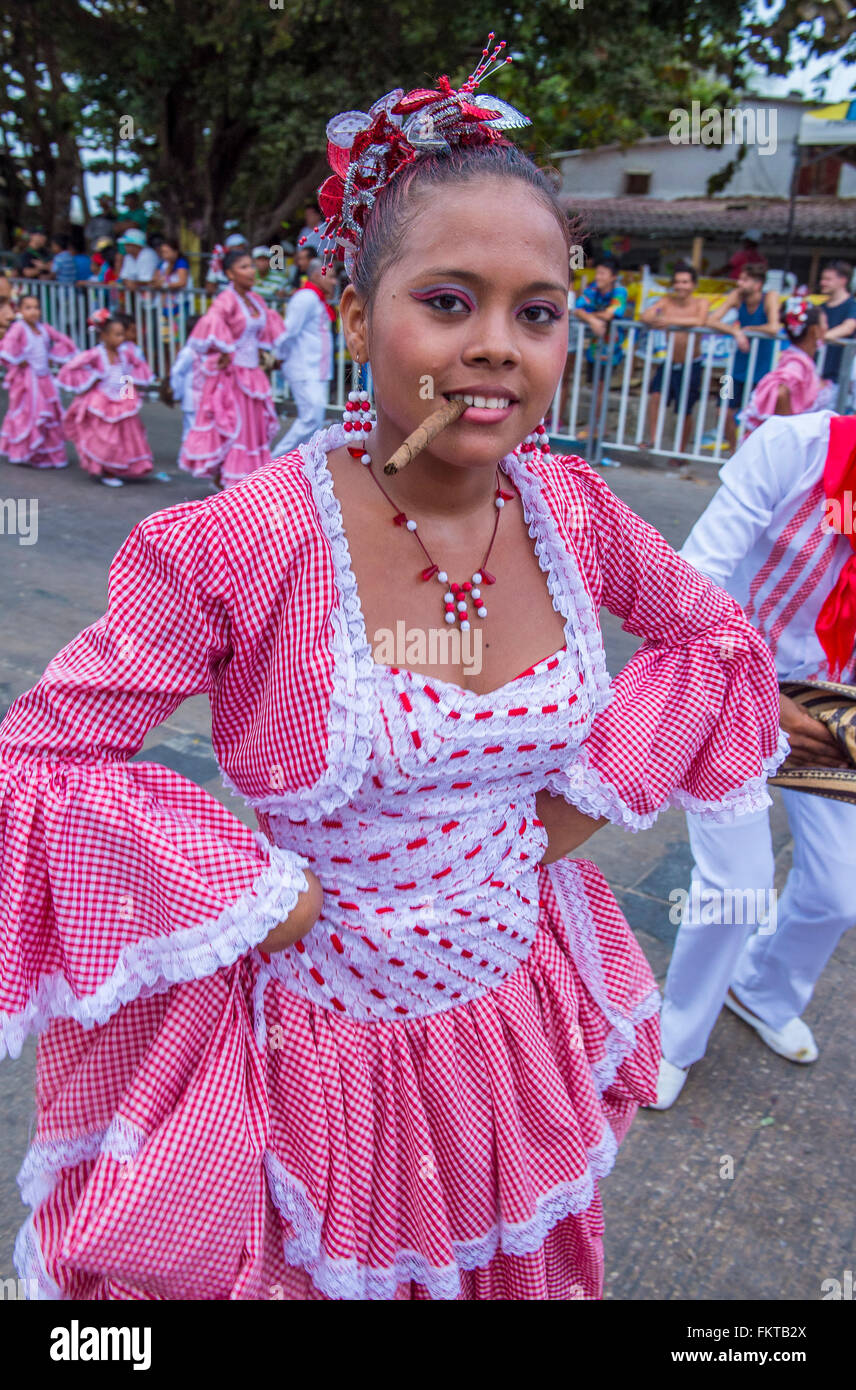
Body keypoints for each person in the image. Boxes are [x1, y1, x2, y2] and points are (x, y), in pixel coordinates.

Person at [0, 37, 783, 1303]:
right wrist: (260, 889)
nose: (494, 345)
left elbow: (716, 642)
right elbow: (41, 757)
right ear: (359, 316)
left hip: (511, 1021)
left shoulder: (573, 512)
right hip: (317, 1053)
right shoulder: (238, 541)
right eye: (447, 300)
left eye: (535, 312)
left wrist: (559, 817)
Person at [651, 408, 856, 1109]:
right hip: (729, 675)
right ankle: (673, 1037)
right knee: (738, 887)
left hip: (833, 707)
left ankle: (762, 988)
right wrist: (763, 698)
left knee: (840, 891)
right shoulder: (792, 449)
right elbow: (693, 581)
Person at [178, 248, 285, 488]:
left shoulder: (255, 299)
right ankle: (229, 482)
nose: (252, 271)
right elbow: (211, 328)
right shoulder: (226, 300)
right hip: (232, 376)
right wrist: (224, 351)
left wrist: (262, 355)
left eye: (251, 265)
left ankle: (246, 482)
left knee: (253, 429)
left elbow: (262, 332)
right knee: (235, 427)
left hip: (253, 375)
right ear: (229, 273)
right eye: (244, 266)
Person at [57, 308, 154, 486]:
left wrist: (131, 394)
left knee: (126, 437)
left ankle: (120, 467)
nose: (121, 338)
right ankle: (105, 470)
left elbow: (135, 369)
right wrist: (92, 376)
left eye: (122, 334)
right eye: (117, 335)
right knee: (104, 439)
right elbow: (71, 367)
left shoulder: (126, 353)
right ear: (104, 336)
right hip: (102, 401)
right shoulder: (95, 354)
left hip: (123, 398)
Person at [707, 263, 781, 448]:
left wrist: (748, 329)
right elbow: (711, 320)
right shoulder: (736, 296)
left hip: (762, 371)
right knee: (722, 411)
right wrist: (737, 332)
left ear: (757, 284)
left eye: (744, 280)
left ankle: (750, 453)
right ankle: (735, 451)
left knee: (756, 416)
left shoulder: (769, 297)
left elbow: (773, 327)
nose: (739, 283)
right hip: (734, 369)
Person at [639, 261, 710, 454]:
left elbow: (700, 320)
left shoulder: (700, 303)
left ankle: (680, 451)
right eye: (677, 282)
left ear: (693, 284)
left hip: (692, 364)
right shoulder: (666, 301)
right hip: (670, 362)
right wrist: (655, 318)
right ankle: (653, 440)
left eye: (685, 282)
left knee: (685, 409)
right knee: (655, 396)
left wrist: (669, 321)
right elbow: (645, 316)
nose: (680, 286)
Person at [0, 294, 76, 468]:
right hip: (28, 380)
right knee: (30, 413)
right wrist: (20, 359)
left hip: (45, 377)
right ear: (19, 310)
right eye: (28, 308)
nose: (33, 312)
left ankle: (46, 453)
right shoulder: (19, 328)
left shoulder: (44, 328)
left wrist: (54, 354)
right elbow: (9, 345)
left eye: (36, 307)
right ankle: (27, 452)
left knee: (49, 413)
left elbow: (62, 339)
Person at [271, 257, 336, 454]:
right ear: (317, 275)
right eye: (331, 277)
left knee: (314, 421)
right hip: (304, 368)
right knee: (310, 419)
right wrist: (277, 356)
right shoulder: (306, 297)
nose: (334, 282)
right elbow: (287, 331)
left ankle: (298, 467)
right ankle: (273, 462)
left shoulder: (317, 299)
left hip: (317, 369)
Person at [741, 297, 830, 437]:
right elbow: (780, 392)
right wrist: (788, 432)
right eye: (824, 323)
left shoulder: (799, 360)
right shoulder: (797, 363)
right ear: (814, 330)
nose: (827, 328)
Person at [571, 254, 628, 435]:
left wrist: (590, 317)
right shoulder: (592, 289)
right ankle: (596, 427)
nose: (599, 277)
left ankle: (595, 428)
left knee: (601, 388)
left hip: (612, 348)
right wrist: (593, 321)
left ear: (613, 276)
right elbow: (577, 309)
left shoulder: (620, 292)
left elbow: (612, 313)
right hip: (595, 348)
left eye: (603, 273)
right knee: (595, 387)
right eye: (598, 273)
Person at [818, 260, 856, 392]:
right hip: (817, 378)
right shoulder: (820, 308)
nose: (823, 283)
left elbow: (849, 327)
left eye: (828, 279)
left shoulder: (852, 305)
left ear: (843, 280)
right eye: (823, 279)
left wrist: (820, 337)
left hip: (839, 380)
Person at [168, 314, 203, 442]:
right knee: (191, 429)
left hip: (205, 399)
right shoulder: (188, 352)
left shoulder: (207, 351)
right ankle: (188, 458)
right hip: (191, 399)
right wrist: (177, 393)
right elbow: (177, 372)